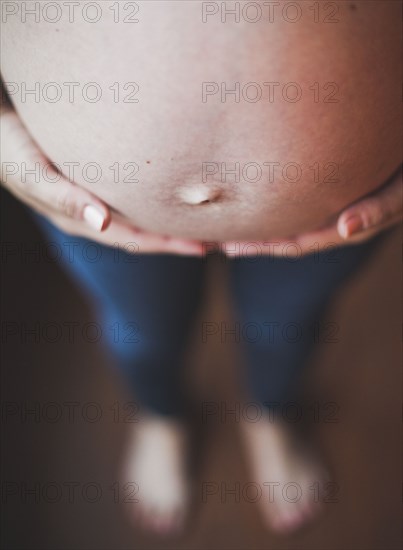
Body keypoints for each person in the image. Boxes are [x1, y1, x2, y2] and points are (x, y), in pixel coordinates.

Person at [1, 0, 401, 536]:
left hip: (338, 212)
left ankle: (268, 415)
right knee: (140, 334)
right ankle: (162, 417)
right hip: (93, 207)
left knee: (287, 328)